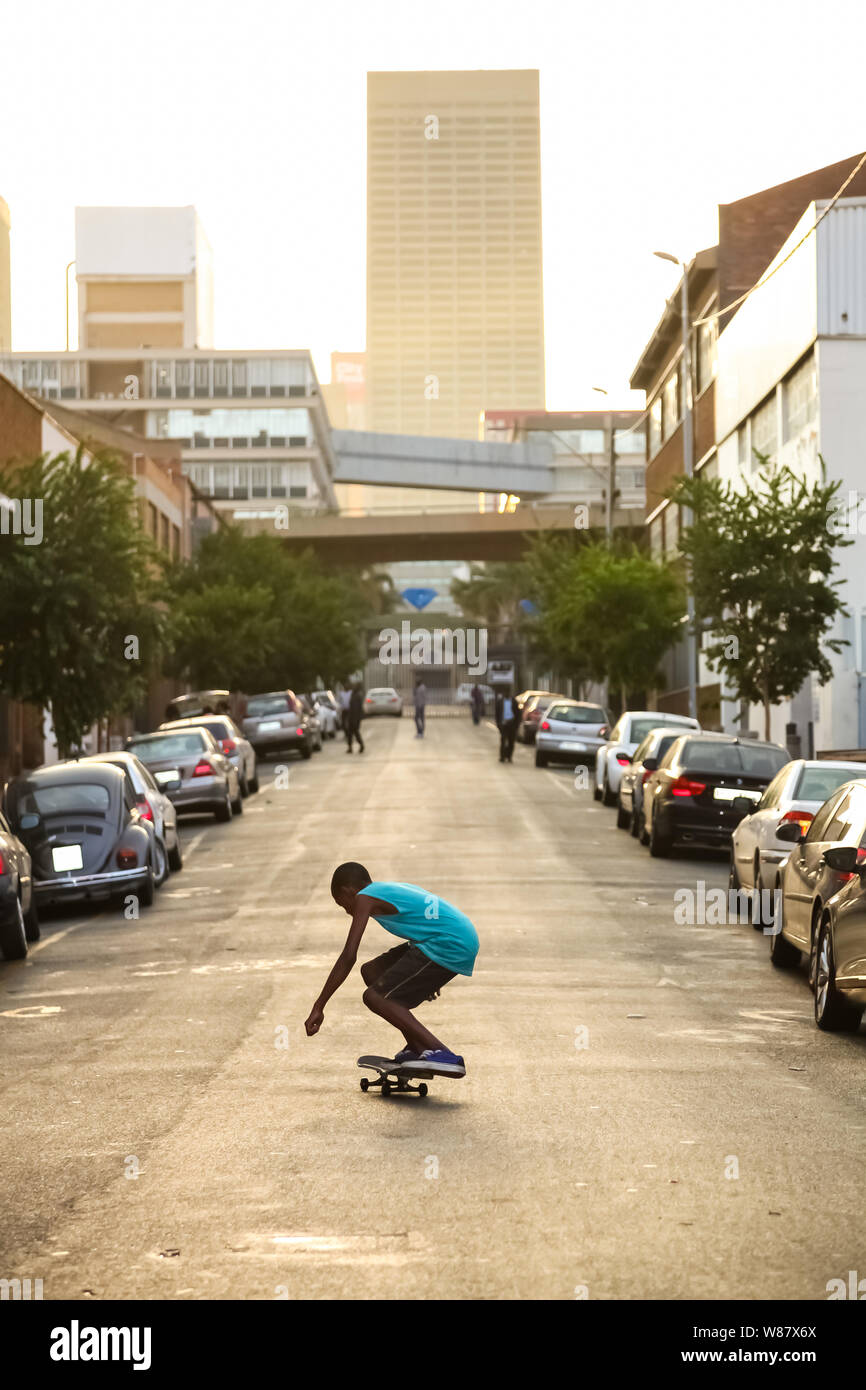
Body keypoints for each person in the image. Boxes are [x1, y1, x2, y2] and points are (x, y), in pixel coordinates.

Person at [304, 862, 479, 1077]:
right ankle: (417, 1047)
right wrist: (426, 979)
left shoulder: (365, 897)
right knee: (371, 972)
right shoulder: (386, 890)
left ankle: (442, 1054)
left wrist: (319, 1005)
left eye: (343, 905)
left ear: (347, 891)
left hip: (448, 943)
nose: (348, 911)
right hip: (447, 938)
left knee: (375, 997)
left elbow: (349, 955)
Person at [494, 688, 519, 763]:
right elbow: (497, 713)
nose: (507, 694)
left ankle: (509, 756)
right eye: (505, 692)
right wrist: (498, 724)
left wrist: (516, 724)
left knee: (511, 742)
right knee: (503, 741)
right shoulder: (500, 702)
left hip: (512, 724)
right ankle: (502, 756)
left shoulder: (514, 702)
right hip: (503, 724)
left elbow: (518, 714)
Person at [345, 683, 365, 754]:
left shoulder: (356, 696)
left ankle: (361, 745)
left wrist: (355, 720)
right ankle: (350, 747)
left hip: (354, 719)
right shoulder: (354, 695)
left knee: (355, 733)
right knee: (351, 734)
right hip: (352, 718)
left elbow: (356, 709)